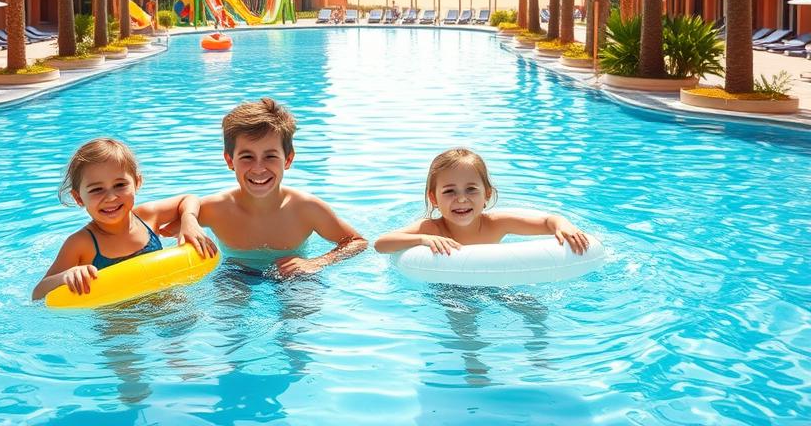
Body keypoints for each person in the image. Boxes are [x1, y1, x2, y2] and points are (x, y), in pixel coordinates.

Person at [162, 98, 366, 278]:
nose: (258, 168)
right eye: (247, 157)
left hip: (294, 275)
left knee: (301, 308)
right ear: (229, 160)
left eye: (270, 156)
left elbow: (357, 242)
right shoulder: (217, 209)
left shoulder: (306, 208)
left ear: (288, 159)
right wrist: (188, 220)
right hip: (235, 274)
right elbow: (151, 226)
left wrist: (317, 262)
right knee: (228, 313)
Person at [31, 138, 217, 300]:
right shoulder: (80, 243)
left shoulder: (147, 216)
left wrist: (189, 220)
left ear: (137, 183)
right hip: (116, 315)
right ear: (79, 198)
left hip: (162, 298)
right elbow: (38, 293)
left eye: (120, 185)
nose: (111, 197)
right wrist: (65, 276)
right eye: (97, 189)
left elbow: (189, 199)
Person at [373, 148, 590, 255]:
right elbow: (381, 244)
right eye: (449, 191)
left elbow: (547, 222)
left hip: (491, 278)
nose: (461, 198)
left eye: (471, 189)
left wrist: (562, 224)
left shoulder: (497, 223)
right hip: (448, 286)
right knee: (463, 323)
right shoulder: (431, 228)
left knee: (534, 309)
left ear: (486, 194)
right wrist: (422, 240)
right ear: (434, 198)